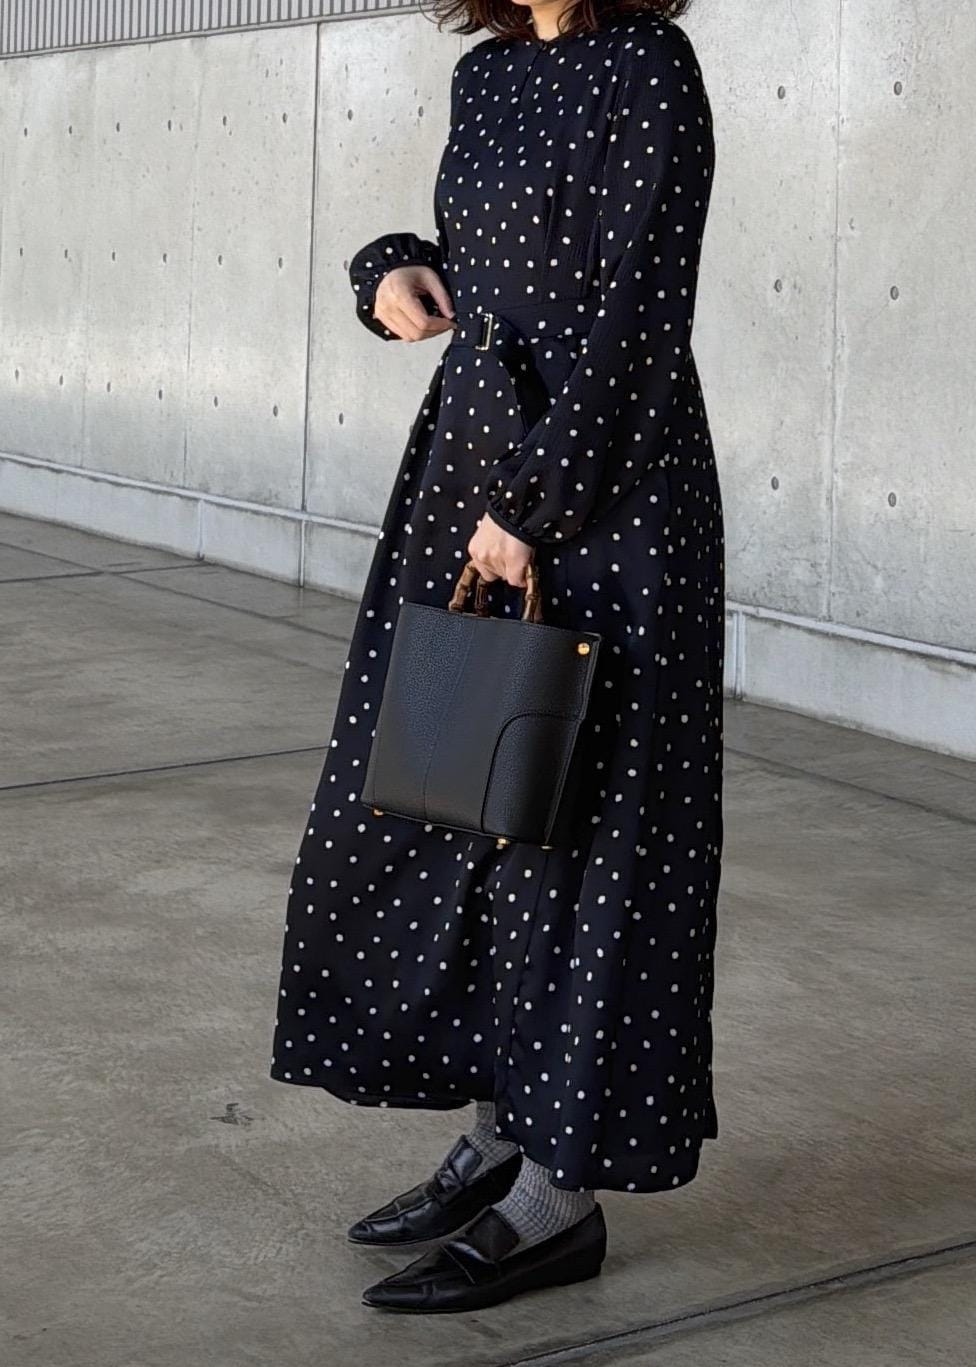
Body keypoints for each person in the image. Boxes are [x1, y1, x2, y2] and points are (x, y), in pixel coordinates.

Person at [270, 0, 724, 1313]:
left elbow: (638, 317)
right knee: (466, 807)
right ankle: (499, 1134)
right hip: (472, 472)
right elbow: (496, 264)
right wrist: (393, 271)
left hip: (605, 495)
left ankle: (559, 1195)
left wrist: (535, 509)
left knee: (590, 832)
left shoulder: (649, 65)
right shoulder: (488, 77)